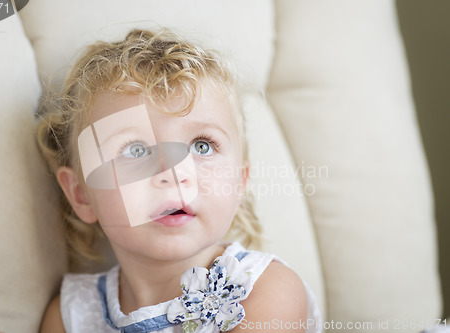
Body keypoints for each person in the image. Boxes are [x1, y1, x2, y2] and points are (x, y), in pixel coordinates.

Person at [36, 29, 321, 333]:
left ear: (239, 182)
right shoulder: (71, 314)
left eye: (202, 146)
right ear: (81, 195)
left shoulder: (264, 291)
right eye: (135, 150)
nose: (173, 172)